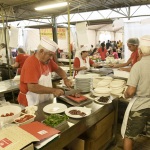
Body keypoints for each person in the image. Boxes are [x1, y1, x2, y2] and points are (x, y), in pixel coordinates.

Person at [17, 37, 72, 106]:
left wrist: (65, 78)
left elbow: (58, 69)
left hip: (44, 99)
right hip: (31, 101)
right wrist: (54, 90)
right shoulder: (31, 63)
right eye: (50, 55)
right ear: (41, 51)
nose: (51, 58)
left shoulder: (47, 61)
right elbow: (32, 87)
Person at [121, 35, 150, 150]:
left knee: (129, 136)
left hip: (141, 106)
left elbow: (131, 91)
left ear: (140, 49)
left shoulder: (138, 66)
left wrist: (125, 94)